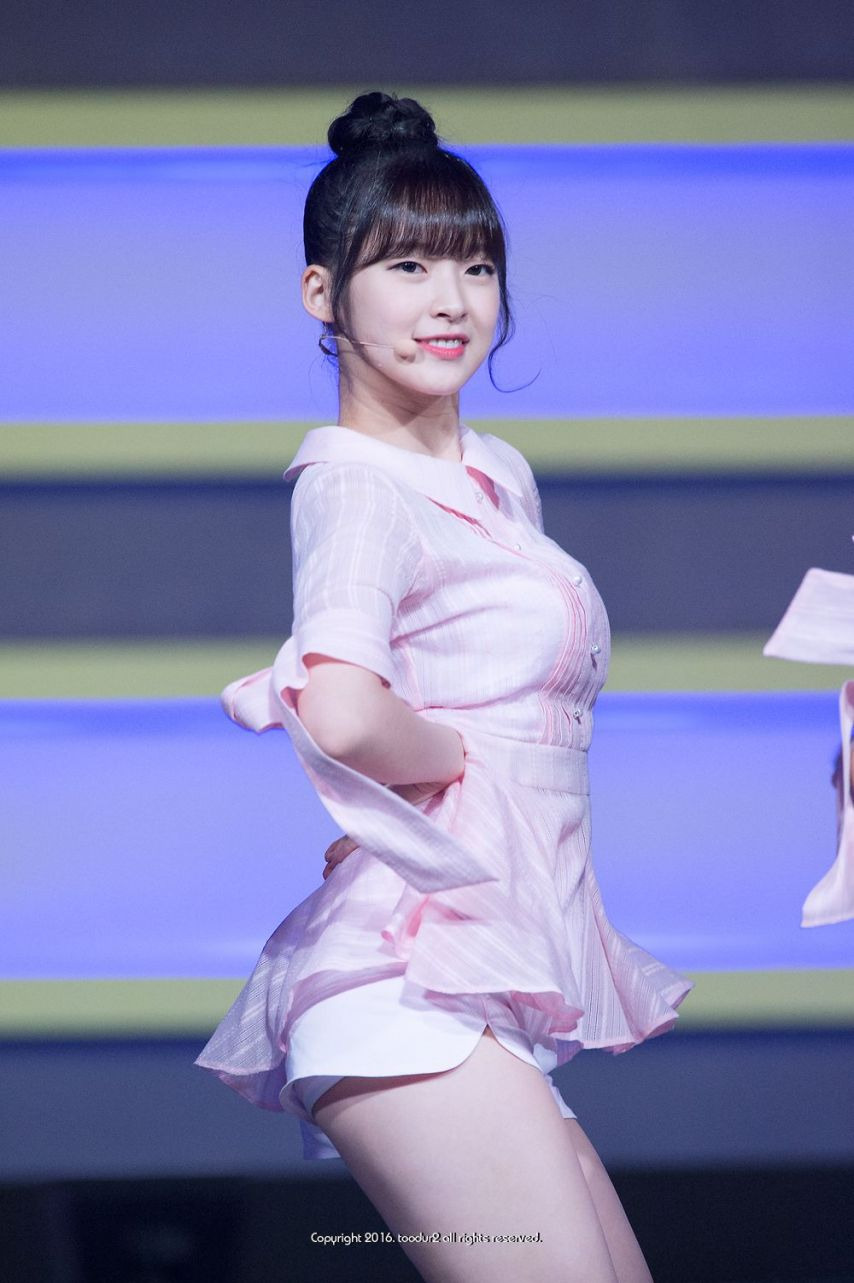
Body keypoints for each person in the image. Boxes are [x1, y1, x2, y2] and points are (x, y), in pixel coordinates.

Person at [195, 91, 694, 1283]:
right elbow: (344, 709)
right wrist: (445, 761)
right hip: (400, 986)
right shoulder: (355, 485)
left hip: (472, 979)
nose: (451, 300)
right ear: (321, 294)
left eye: (475, 265)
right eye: (406, 265)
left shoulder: (493, 473)